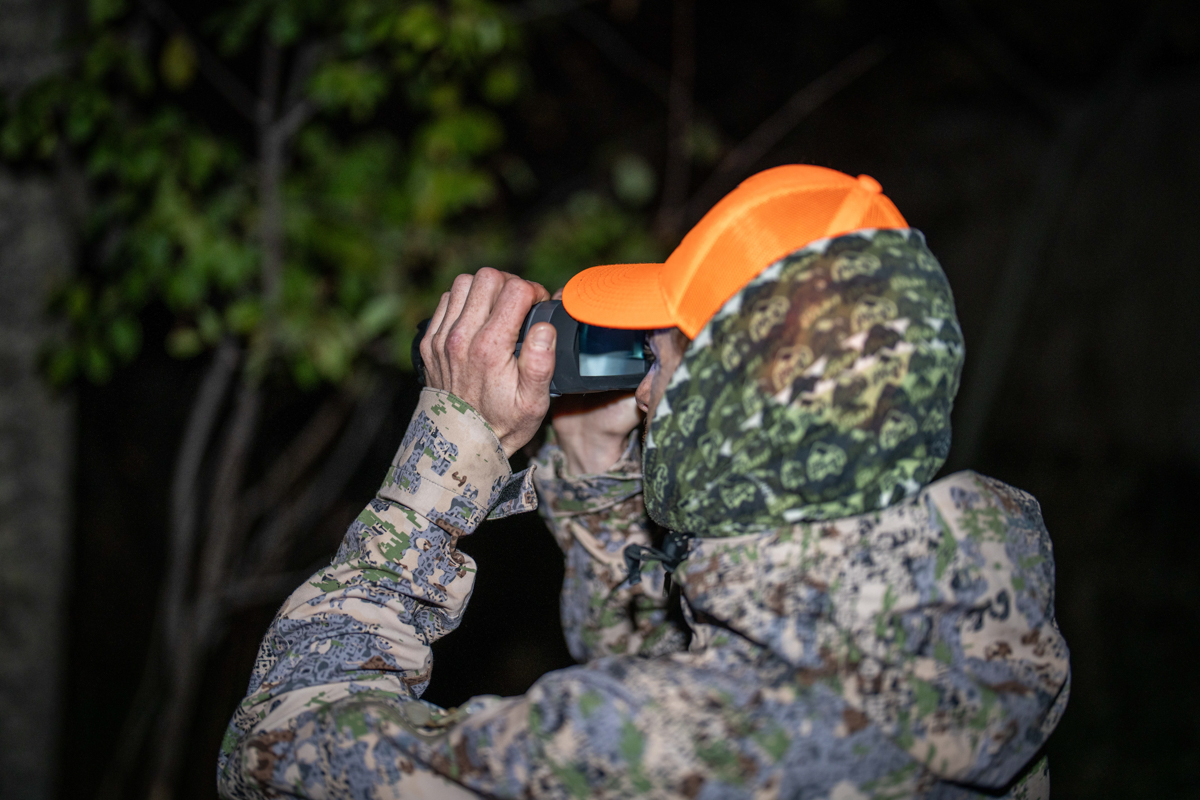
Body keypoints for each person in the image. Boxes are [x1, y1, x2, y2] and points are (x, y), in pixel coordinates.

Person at [218, 165, 1070, 799]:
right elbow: (701, 671)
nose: (646, 393)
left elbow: (274, 747)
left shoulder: (631, 748)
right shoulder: (975, 628)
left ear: (726, 407)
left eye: (663, 362)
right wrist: (595, 481)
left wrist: (441, 465)